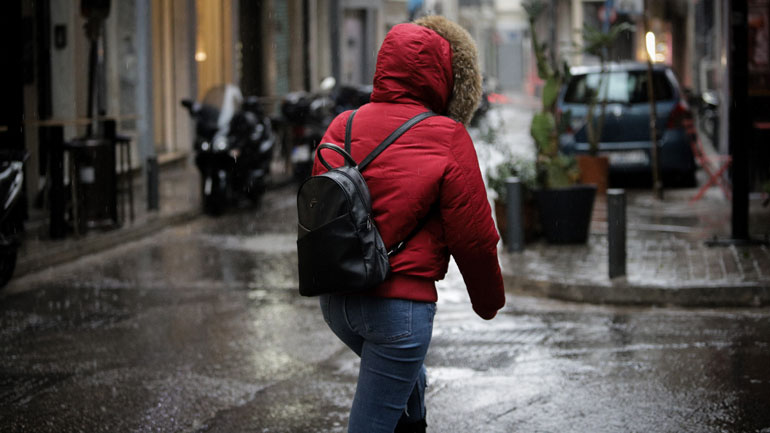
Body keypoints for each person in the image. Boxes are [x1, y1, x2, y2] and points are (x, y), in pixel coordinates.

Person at [313, 15, 506, 433]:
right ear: (442, 77)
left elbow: (321, 213)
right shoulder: (447, 135)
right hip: (398, 312)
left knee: (404, 381)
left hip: (336, 300)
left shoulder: (340, 126)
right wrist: (488, 301)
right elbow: (473, 238)